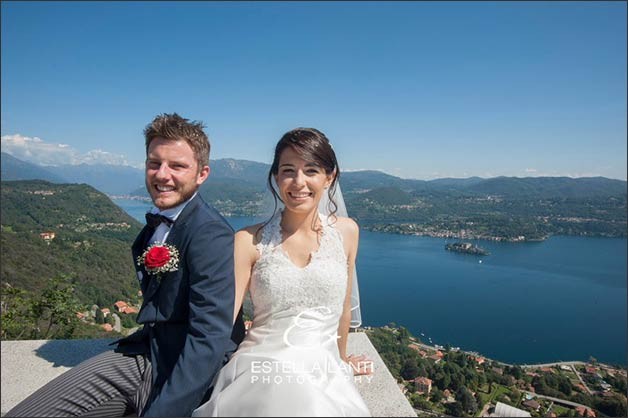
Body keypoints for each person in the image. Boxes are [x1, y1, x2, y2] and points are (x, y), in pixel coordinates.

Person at [6, 113, 245, 417]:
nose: (162, 175)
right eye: (154, 163)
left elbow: (209, 337)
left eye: (177, 166)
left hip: (172, 368)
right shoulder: (161, 225)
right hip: (146, 350)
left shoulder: (209, 232)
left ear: (202, 174)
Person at [192, 128, 371, 417]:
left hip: (323, 367)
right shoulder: (248, 241)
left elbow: (343, 309)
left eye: (311, 170)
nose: (298, 182)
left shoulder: (348, 232)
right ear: (276, 177)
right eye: (288, 171)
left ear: (330, 177)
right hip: (262, 362)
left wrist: (342, 359)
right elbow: (222, 319)